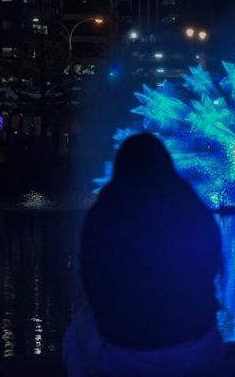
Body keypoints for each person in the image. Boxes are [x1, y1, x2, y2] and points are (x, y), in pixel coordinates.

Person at [64, 133, 224, 376]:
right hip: (197, 346)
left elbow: (91, 280)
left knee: (77, 333)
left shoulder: (104, 214)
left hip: (126, 351)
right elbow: (210, 271)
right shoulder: (193, 210)